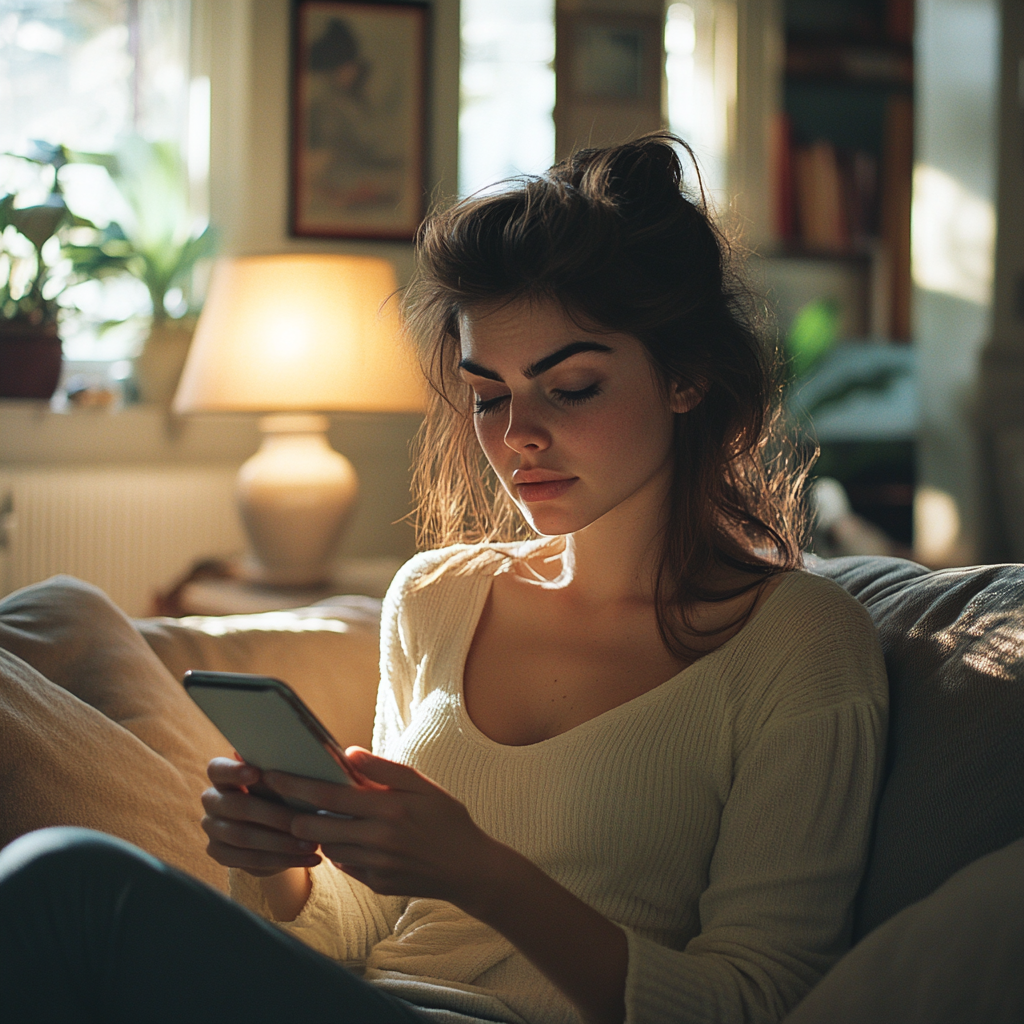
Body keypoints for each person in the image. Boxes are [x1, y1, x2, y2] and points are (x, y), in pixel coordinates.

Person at [0, 134, 887, 1024]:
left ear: (687, 377)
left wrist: (482, 872)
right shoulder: (440, 597)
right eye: (489, 395)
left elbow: (755, 1003)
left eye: (571, 387)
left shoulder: (798, 642)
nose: (517, 437)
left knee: (70, 886)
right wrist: (278, 870)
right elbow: (366, 927)